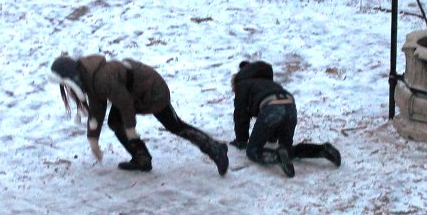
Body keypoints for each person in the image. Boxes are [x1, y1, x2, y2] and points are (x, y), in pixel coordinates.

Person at [50, 54, 229, 175]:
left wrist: (130, 129)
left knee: (174, 125)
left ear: (71, 78)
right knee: (115, 121)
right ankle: (141, 158)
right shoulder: (90, 79)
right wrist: (93, 138)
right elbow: (98, 107)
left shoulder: (101, 78)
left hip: (151, 90)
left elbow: (125, 103)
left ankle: (215, 149)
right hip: (134, 93)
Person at [230, 60, 341, 178]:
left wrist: (241, 141)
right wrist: (270, 136)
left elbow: (240, 116)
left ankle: (277, 157)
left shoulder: (242, 85)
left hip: (272, 108)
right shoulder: (267, 83)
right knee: (287, 150)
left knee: (253, 151)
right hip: (290, 106)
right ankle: (322, 150)